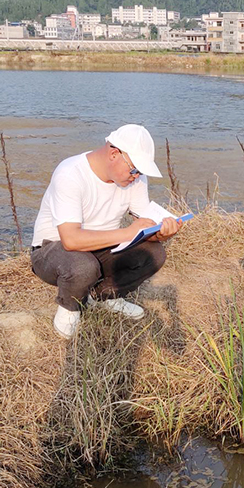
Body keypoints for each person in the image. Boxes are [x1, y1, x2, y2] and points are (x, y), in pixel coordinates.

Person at [30, 124, 181, 339]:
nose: (136, 176)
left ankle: (105, 297)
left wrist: (162, 233)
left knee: (154, 254)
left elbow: (144, 228)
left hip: (102, 247)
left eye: (140, 172)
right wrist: (128, 233)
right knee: (83, 266)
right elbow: (70, 240)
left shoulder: (135, 179)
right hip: (52, 250)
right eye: (134, 170)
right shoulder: (70, 173)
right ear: (114, 154)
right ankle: (70, 307)